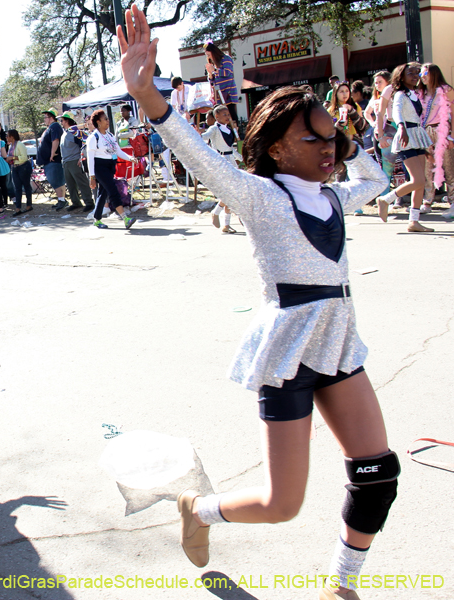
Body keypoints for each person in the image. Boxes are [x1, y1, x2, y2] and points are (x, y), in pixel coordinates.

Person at [120, 11, 395, 600]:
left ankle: (341, 585)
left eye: (330, 138)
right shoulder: (260, 195)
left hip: (340, 346)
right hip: (289, 353)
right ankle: (201, 509)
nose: (327, 148)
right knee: (280, 504)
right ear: (275, 148)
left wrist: (353, 130)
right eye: (311, 138)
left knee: (377, 476)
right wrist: (148, 95)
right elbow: (200, 157)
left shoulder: (336, 194)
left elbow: (372, 177)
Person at [376, 63, 435, 232]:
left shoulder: (414, 94)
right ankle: (385, 200)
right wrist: (401, 127)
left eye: (417, 73)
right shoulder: (400, 94)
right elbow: (397, 112)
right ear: (401, 76)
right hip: (406, 136)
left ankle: (414, 221)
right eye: (411, 73)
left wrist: (426, 147)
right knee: (418, 180)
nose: (415, 75)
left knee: (420, 182)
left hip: (417, 136)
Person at [87, 109, 139, 230]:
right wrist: (92, 177)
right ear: (98, 122)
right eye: (105, 119)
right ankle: (125, 218)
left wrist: (130, 158)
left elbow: (118, 151)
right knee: (112, 190)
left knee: (103, 192)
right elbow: (90, 158)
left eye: (107, 119)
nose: (107, 121)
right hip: (99, 167)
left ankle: (96, 219)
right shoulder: (93, 137)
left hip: (110, 165)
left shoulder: (110, 136)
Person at [417, 63, 454, 212]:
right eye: (421, 74)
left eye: (425, 73)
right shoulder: (421, 93)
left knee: (448, 166)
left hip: (442, 130)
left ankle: (452, 199)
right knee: (427, 168)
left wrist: (452, 136)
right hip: (425, 131)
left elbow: (453, 112)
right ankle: (427, 201)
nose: (422, 77)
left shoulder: (446, 90)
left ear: (434, 74)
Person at [202, 105, 243, 233]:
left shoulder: (230, 130)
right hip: (221, 162)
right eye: (224, 115)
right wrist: (197, 133)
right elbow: (205, 136)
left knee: (233, 192)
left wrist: (242, 158)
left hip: (231, 161)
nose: (227, 117)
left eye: (228, 114)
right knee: (229, 192)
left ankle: (226, 224)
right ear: (217, 116)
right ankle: (216, 212)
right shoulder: (214, 129)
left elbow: (231, 149)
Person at [58, 112, 94, 211]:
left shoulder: (74, 133)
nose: (61, 122)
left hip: (75, 161)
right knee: (70, 184)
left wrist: (80, 158)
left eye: (62, 120)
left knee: (82, 182)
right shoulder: (64, 132)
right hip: (66, 162)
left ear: (67, 120)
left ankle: (89, 202)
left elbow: (83, 145)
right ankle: (76, 202)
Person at [37, 109, 68, 210]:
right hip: (48, 161)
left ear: (51, 117)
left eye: (45, 117)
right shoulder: (50, 128)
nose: (44, 119)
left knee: (56, 180)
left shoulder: (54, 126)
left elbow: (55, 140)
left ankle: (62, 200)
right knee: (55, 180)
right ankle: (61, 200)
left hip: (53, 160)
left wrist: (52, 153)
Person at [204, 42, 240, 126]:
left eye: (209, 55)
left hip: (228, 91)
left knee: (230, 112)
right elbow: (213, 82)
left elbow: (228, 72)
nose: (208, 57)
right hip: (219, 94)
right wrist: (210, 75)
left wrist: (215, 70)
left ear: (214, 52)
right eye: (207, 56)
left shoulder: (226, 58)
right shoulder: (213, 63)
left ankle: (235, 131)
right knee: (219, 113)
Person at [6, 130, 34, 216]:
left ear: (12, 136)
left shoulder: (20, 145)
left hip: (23, 167)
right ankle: (18, 208)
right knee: (17, 188)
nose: (6, 137)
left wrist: (12, 158)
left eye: (8, 136)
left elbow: (24, 157)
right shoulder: (11, 146)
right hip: (15, 167)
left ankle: (29, 205)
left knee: (26, 186)